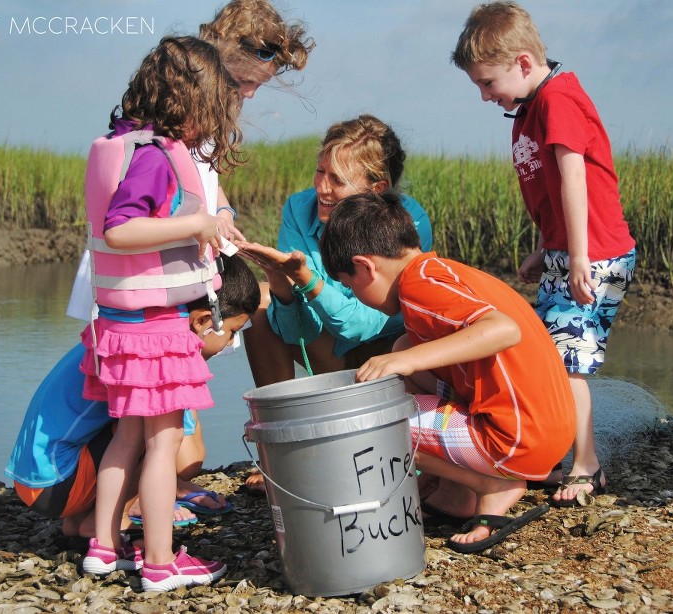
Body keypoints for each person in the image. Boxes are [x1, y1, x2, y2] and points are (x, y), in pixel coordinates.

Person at [62, 0, 314, 509]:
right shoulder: (171, 121)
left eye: (254, 88)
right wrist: (199, 221)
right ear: (214, 67)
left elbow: (207, 185)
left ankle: (147, 489)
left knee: (168, 416)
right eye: (242, 84)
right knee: (141, 400)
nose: (245, 97)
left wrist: (223, 216)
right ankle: (125, 497)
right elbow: (131, 214)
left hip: (175, 266)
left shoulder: (202, 118)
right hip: (139, 277)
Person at [77, 35, 246, 593]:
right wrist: (195, 225)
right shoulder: (152, 157)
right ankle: (159, 559)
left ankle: (104, 547)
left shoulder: (123, 144)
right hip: (155, 330)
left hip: (122, 327)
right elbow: (121, 228)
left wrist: (213, 215)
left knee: (127, 436)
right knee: (164, 444)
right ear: (188, 104)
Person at [450, 2, 636, 506]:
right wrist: (545, 250)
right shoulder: (531, 108)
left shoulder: (558, 101)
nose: (486, 96)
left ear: (524, 63)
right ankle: (562, 453)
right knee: (546, 354)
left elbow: (575, 177)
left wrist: (577, 257)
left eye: (488, 83)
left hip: (596, 253)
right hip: (568, 250)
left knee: (566, 359)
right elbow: (553, 192)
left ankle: (586, 464)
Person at [319, 191, 577, 553]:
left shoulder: (418, 287)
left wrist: (406, 363)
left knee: (376, 425)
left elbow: (504, 329)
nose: (355, 294)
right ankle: (455, 487)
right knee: (403, 347)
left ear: (366, 266)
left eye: (350, 286)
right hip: (547, 434)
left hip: (519, 439)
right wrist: (406, 357)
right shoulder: (437, 271)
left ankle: (491, 485)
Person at [236, 114, 433, 493]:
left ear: (377, 188)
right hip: (330, 346)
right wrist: (280, 286)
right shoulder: (299, 209)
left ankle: (412, 455)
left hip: (391, 355)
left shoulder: (407, 221)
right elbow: (296, 329)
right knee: (262, 305)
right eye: (320, 171)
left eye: (338, 180)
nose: (322, 188)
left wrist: (307, 281)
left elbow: (365, 323)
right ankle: (278, 451)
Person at [5, 254, 259, 540]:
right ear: (202, 320)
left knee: (134, 426)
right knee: (156, 435)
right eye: (233, 333)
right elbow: (188, 457)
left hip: (40, 479)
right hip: (58, 485)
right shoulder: (154, 357)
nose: (230, 344)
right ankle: (113, 519)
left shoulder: (127, 335)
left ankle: (81, 521)